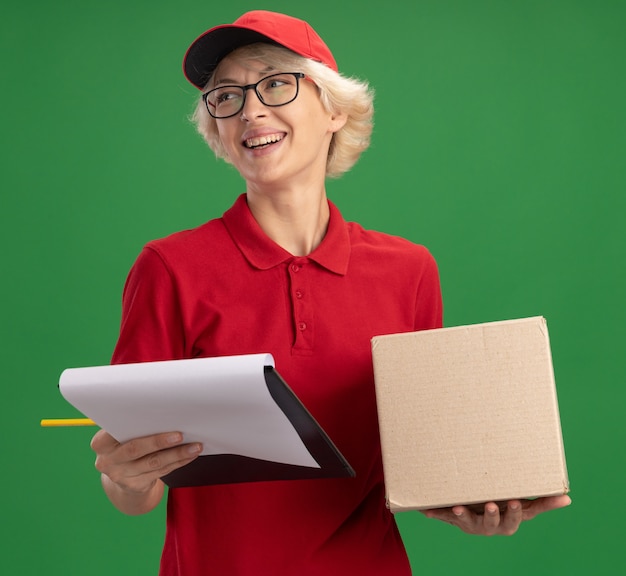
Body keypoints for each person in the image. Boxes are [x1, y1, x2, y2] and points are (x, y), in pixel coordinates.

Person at [90, 10, 571, 575]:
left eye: (274, 83)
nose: (251, 109)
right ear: (216, 130)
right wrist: (122, 476)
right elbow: (136, 489)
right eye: (226, 96)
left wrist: (473, 498)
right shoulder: (170, 268)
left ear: (335, 110)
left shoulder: (408, 272)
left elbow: (417, 460)